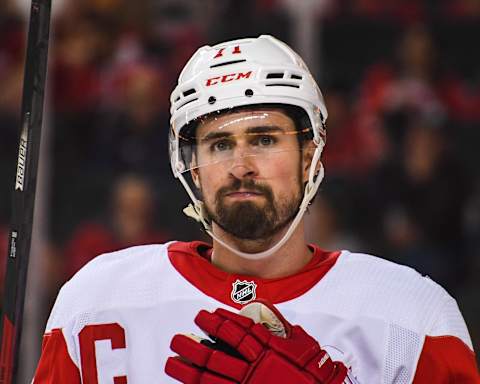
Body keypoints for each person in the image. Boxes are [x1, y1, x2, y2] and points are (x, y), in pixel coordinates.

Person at [32, 35, 479, 383]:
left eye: (264, 140)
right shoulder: (97, 301)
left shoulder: (413, 319)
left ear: (310, 156)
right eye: (220, 144)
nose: (241, 166)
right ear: (192, 167)